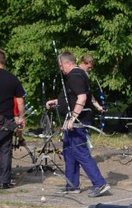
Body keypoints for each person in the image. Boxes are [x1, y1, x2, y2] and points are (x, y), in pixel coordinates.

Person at [44, 51, 110, 197]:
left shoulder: (75, 76)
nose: (60, 69)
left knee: (80, 152)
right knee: (68, 151)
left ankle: (100, 183)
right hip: (71, 121)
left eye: (61, 65)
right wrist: (57, 102)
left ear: (68, 63)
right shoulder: (77, 75)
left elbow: (82, 97)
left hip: (77, 121)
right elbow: (73, 97)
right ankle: (72, 185)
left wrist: (73, 118)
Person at [0, 48, 25, 189]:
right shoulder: (12, 79)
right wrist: (20, 117)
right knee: (5, 149)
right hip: (6, 119)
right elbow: (20, 101)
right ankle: (4, 181)